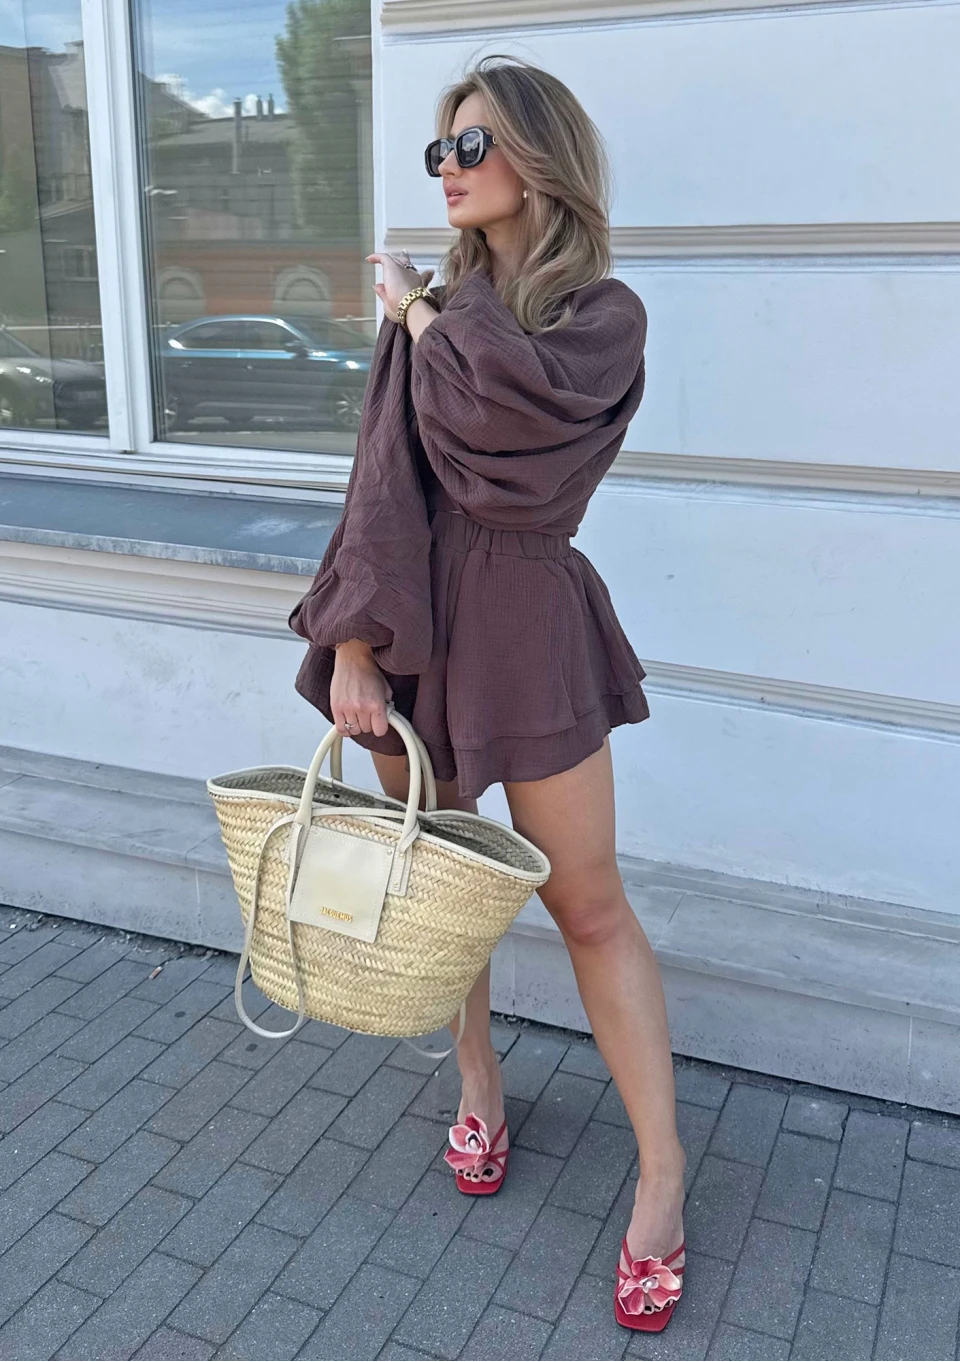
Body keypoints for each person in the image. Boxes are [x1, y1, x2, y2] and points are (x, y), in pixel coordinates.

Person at [289, 56, 687, 1332]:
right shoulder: (438, 313)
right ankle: (478, 1090)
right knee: (442, 886)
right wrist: (356, 647)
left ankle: (663, 1177)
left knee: (588, 904)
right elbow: (381, 484)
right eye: (441, 152)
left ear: (540, 158)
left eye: (474, 147)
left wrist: (415, 313)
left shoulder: (599, 319)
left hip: (531, 619)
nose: (450, 171)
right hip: (418, 621)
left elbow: (511, 422)